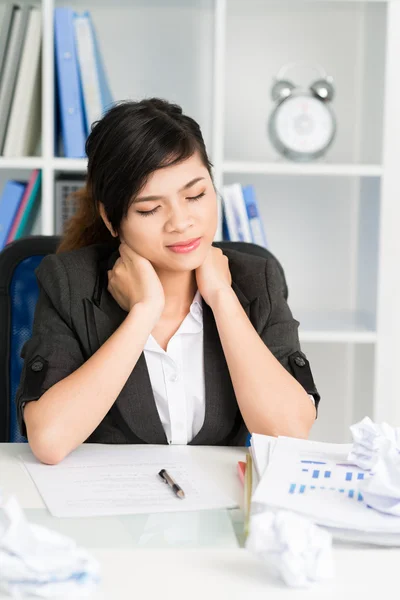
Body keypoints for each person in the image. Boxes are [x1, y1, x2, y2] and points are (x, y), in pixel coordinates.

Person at [15, 98, 320, 465]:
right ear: (112, 220)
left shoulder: (257, 281)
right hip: (111, 513)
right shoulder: (70, 283)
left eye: (196, 195)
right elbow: (49, 440)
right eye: (149, 208)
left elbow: (289, 431)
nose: (181, 222)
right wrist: (143, 314)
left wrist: (222, 298)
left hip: (220, 512)